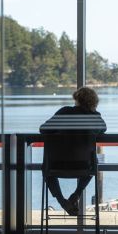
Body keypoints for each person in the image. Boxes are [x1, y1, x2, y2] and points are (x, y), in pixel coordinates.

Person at [39, 87, 106, 215]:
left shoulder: (65, 112)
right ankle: (76, 194)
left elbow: (43, 129)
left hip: (55, 166)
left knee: (45, 166)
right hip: (84, 167)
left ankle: (61, 201)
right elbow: (103, 128)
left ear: (78, 100)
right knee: (94, 163)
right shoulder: (95, 118)